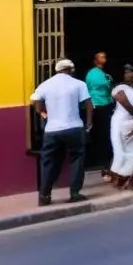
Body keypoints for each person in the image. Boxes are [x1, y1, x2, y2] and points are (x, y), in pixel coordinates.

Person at [31, 59, 93, 206]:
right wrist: (89, 124)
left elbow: (35, 102)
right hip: (74, 127)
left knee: (48, 162)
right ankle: (75, 193)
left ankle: (44, 196)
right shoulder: (79, 84)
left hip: (52, 130)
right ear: (71, 69)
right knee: (77, 158)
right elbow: (89, 104)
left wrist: (44, 114)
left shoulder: (45, 85)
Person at [109, 64, 133, 189]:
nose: (130, 74)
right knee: (122, 152)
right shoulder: (117, 88)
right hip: (122, 124)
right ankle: (119, 178)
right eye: (127, 72)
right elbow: (123, 101)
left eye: (131, 72)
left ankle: (129, 181)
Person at [84, 51, 114, 179]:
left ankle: (106, 162)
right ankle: (101, 162)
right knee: (101, 134)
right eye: (101, 56)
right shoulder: (93, 74)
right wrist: (108, 81)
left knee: (106, 134)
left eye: (104, 56)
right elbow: (104, 86)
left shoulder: (103, 73)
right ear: (96, 60)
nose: (104, 58)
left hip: (106, 104)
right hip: (97, 106)